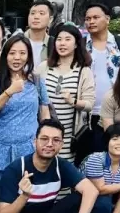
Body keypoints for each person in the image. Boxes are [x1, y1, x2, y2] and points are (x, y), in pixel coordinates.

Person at [0, 34, 49, 179]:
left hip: (29, 150)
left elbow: (45, 113)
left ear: (29, 56)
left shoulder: (36, 81)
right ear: (5, 56)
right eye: (12, 53)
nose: (17, 57)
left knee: (27, 197)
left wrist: (45, 141)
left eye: (22, 53)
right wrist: (10, 91)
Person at [36, 22, 94, 164]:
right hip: (43, 133)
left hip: (68, 137)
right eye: (59, 39)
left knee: (64, 173)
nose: (62, 43)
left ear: (76, 44)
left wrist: (72, 101)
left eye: (67, 39)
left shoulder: (84, 71)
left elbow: (89, 104)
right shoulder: (44, 67)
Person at [82, 3, 120, 153]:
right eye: (88, 18)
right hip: (87, 116)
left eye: (96, 17)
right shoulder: (81, 45)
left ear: (108, 19)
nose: (91, 21)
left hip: (118, 114)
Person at [25, 0, 53, 66]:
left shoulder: (54, 45)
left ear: (50, 19)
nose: (36, 17)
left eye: (41, 13)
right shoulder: (15, 42)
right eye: (32, 13)